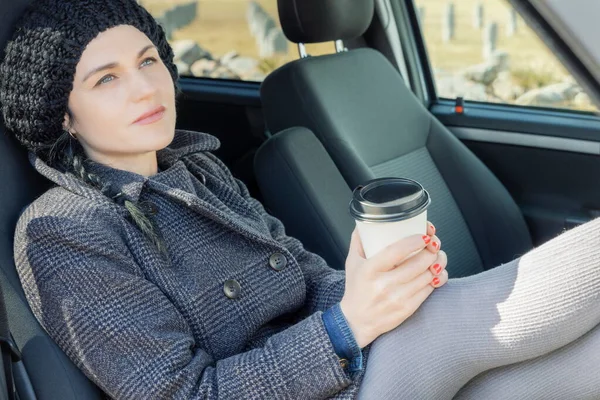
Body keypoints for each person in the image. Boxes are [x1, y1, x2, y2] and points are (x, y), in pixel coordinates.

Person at [0, 1, 599, 399]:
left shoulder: (198, 170)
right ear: (64, 116)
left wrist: (378, 285)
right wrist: (348, 326)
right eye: (106, 79)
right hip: (323, 379)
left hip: (352, 372)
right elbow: (185, 394)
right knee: (451, 320)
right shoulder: (62, 230)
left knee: (576, 364)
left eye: (149, 60)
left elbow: (306, 276)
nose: (146, 87)